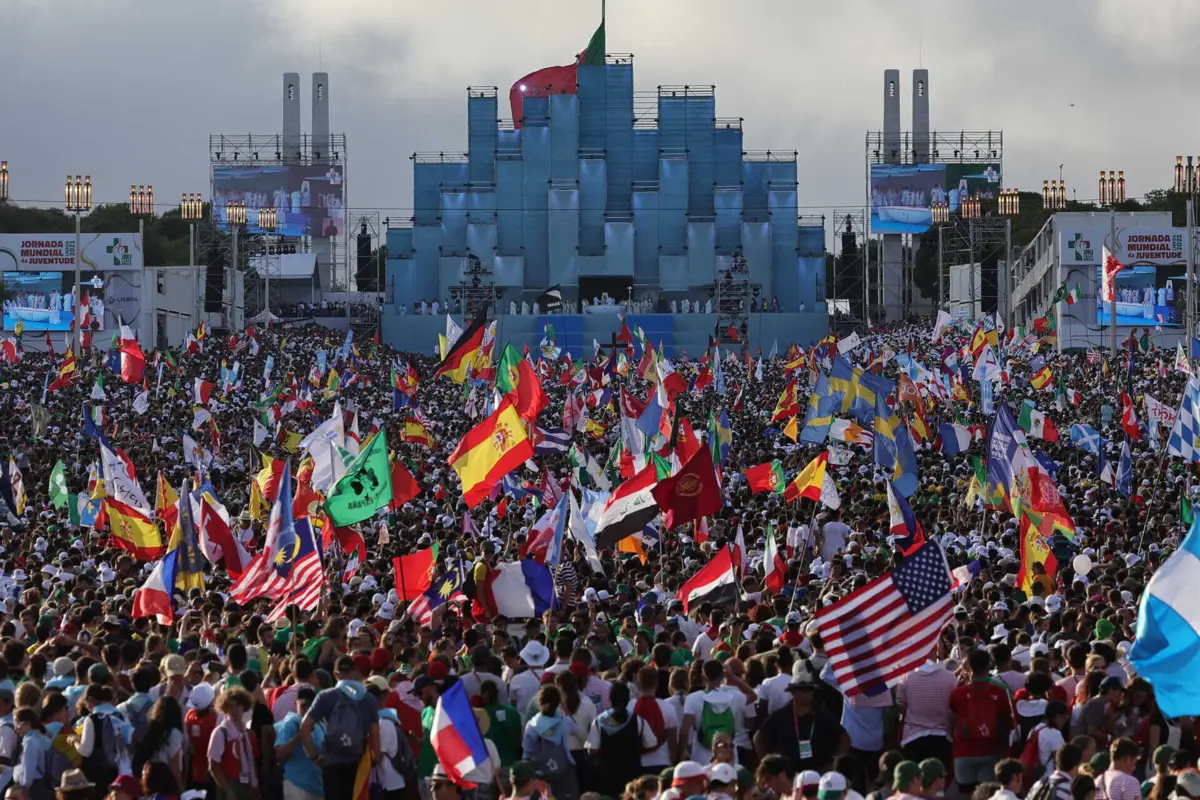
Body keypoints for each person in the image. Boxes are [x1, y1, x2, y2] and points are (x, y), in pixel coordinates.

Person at [300, 655, 380, 799]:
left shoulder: (326, 696)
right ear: (355, 671)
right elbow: (375, 735)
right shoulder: (368, 698)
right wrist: (376, 761)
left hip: (332, 764)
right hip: (359, 764)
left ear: (335, 674)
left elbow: (304, 727)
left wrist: (314, 756)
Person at [948, 649, 1013, 795]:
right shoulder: (1000, 691)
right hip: (991, 750)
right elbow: (1006, 721)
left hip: (963, 751)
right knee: (986, 794)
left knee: (965, 794)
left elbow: (952, 721)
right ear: (989, 666)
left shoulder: (957, 693)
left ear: (968, 667)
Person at [207, 687, 259, 800]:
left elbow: (253, 761)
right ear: (225, 708)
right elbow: (213, 766)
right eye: (230, 706)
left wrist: (255, 787)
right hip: (230, 784)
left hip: (248, 785)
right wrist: (228, 791)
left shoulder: (249, 734)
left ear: (244, 707)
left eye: (237, 705)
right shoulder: (220, 733)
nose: (234, 710)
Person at [274, 686, 324, 800]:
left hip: (318, 787)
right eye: (303, 705)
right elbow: (279, 753)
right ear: (295, 704)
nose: (307, 709)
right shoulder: (290, 724)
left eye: (310, 705)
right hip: (297, 785)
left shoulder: (320, 725)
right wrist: (301, 735)